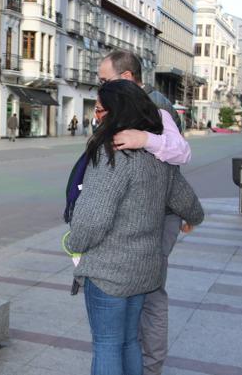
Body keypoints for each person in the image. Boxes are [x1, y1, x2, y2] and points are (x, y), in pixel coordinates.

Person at [65, 79, 204, 375]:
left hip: (109, 273)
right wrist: (192, 219)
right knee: (129, 342)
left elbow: (93, 219)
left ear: (118, 112)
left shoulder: (113, 153)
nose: (97, 116)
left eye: (101, 110)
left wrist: (74, 242)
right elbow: (188, 202)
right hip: (145, 270)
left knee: (106, 344)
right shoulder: (158, 154)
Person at [97, 50, 191, 375]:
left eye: (105, 80)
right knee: (129, 293)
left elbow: (181, 152)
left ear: (125, 78)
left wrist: (144, 138)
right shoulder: (120, 106)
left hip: (157, 217)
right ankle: (130, 360)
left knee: (150, 295)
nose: (101, 86)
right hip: (131, 217)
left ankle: (149, 368)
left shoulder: (156, 105)